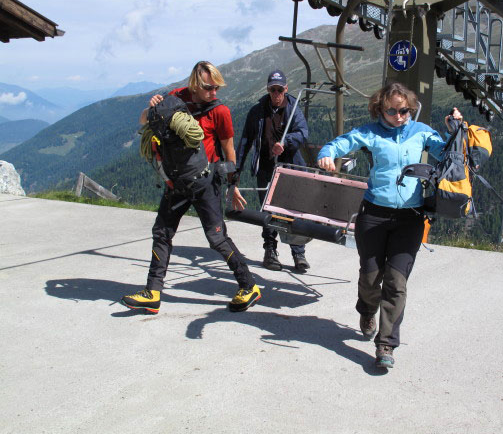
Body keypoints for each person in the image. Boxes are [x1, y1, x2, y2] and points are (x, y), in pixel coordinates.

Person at [317, 82, 462, 369]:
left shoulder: (420, 133)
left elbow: (448, 152)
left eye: (404, 111)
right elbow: (342, 142)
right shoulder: (370, 133)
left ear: (411, 108)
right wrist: (327, 152)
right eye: (392, 111)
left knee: (396, 283)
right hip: (374, 215)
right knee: (371, 279)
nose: (398, 116)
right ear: (381, 109)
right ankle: (367, 309)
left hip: (410, 217)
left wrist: (454, 128)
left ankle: (386, 344)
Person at [121, 61, 261, 314]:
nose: (214, 92)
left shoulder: (220, 112)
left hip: (206, 183)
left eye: (217, 87)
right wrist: (151, 108)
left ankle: (249, 285)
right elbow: (143, 120)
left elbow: (229, 150)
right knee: (162, 232)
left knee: (217, 238)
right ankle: (152, 292)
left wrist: (233, 186)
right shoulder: (175, 98)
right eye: (209, 87)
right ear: (195, 85)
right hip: (176, 182)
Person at [235, 69, 311, 272]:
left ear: (286, 89)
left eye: (279, 89)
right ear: (268, 90)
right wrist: (236, 170)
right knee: (268, 213)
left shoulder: (293, 108)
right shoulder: (257, 111)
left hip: (290, 169)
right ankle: (270, 252)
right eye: (272, 89)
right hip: (266, 169)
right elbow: (245, 142)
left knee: (293, 211)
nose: (276, 94)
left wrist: (286, 142)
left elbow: (303, 133)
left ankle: (298, 253)